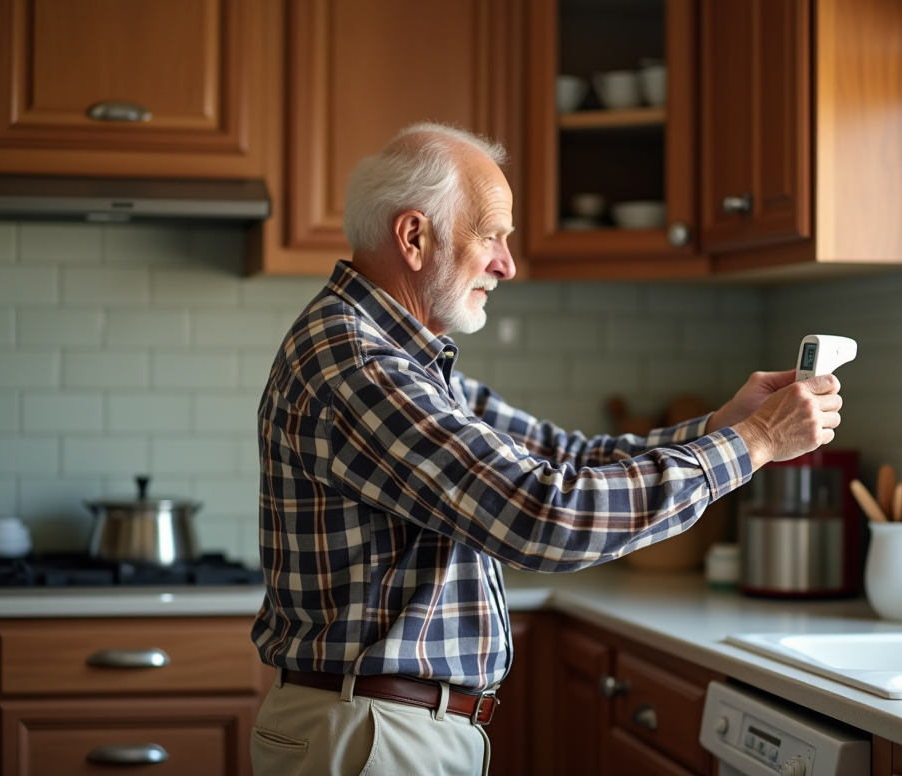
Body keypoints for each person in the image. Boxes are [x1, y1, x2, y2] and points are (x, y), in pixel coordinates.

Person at [249, 122, 842, 776]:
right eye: (493, 235)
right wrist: (753, 444)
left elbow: (563, 458)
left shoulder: (403, 360)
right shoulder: (362, 368)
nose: (507, 263)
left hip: (380, 729)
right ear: (414, 236)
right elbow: (539, 515)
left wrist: (723, 427)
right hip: (374, 737)